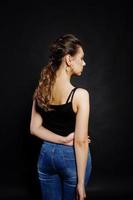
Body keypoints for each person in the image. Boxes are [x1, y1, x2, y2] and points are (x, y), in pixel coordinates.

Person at [30, 34, 92, 200]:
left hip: (45, 156)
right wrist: (81, 184)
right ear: (69, 60)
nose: (84, 63)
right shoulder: (80, 95)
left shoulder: (41, 90)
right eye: (82, 58)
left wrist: (61, 139)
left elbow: (34, 128)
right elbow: (80, 142)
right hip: (71, 157)